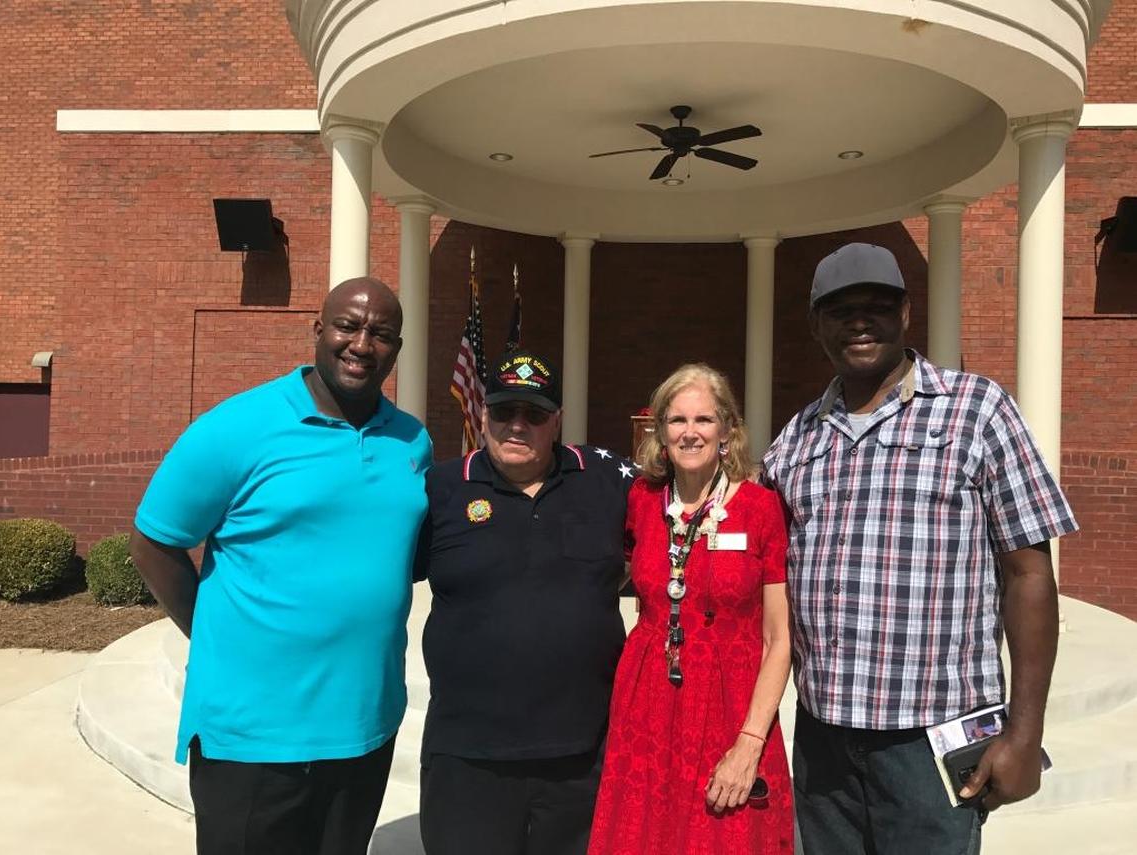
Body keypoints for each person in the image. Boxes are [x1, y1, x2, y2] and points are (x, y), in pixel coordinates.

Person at [763, 242, 1079, 855]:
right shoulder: (796, 439)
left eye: (878, 306)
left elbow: (1028, 575)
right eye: (840, 309)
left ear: (906, 314)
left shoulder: (976, 411)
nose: (860, 321)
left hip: (932, 742)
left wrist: (1025, 729)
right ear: (816, 325)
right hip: (824, 738)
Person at [130, 278, 431, 855]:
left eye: (381, 334)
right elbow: (154, 541)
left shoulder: (409, 440)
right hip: (252, 736)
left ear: (396, 347)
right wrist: (214, 634)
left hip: (364, 726)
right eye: (347, 325)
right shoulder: (236, 428)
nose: (362, 344)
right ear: (318, 329)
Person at [414, 349, 635, 855]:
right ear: (483, 414)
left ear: (556, 421)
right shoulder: (441, 489)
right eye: (504, 411)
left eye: (534, 414)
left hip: (583, 758)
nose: (517, 426)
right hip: (466, 758)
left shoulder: (606, 481)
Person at [588, 363, 794, 855]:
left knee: (727, 834)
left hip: (733, 703)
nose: (690, 432)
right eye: (677, 420)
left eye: (704, 420)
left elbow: (778, 638)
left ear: (726, 429)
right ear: (660, 431)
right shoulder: (641, 500)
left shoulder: (761, 508)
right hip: (648, 704)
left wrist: (749, 743)